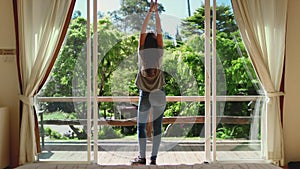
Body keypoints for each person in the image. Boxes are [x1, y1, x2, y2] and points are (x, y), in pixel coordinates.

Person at [131, 0, 166, 166]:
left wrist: (150, 12)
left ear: (144, 43)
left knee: (141, 127)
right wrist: (157, 12)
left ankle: (142, 157)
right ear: (157, 42)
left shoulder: (142, 52)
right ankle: (153, 159)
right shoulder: (159, 53)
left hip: (145, 94)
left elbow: (142, 32)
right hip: (159, 93)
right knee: (158, 128)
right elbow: (159, 31)